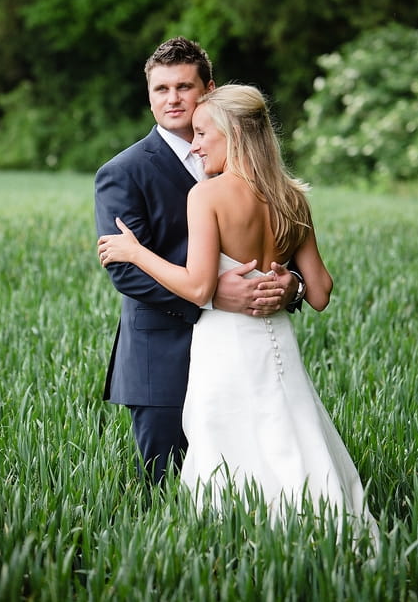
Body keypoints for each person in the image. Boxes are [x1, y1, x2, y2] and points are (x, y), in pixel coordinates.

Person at [97, 84, 379, 543]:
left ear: (233, 135)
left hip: (226, 347)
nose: (195, 143)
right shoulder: (292, 196)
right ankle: (315, 534)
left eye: (204, 132)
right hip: (279, 345)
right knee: (289, 435)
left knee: (225, 445)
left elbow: (199, 286)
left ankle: (231, 546)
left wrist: (135, 251)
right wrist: (294, 285)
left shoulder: (207, 195)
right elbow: (321, 292)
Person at [94, 38, 302, 485]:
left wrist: (292, 286)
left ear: (208, 90)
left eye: (183, 87)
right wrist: (208, 297)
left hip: (242, 354)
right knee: (167, 491)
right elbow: (124, 268)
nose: (172, 99)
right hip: (161, 358)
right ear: (149, 96)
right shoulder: (124, 171)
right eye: (160, 89)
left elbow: (281, 241)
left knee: (250, 482)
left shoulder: (250, 169)